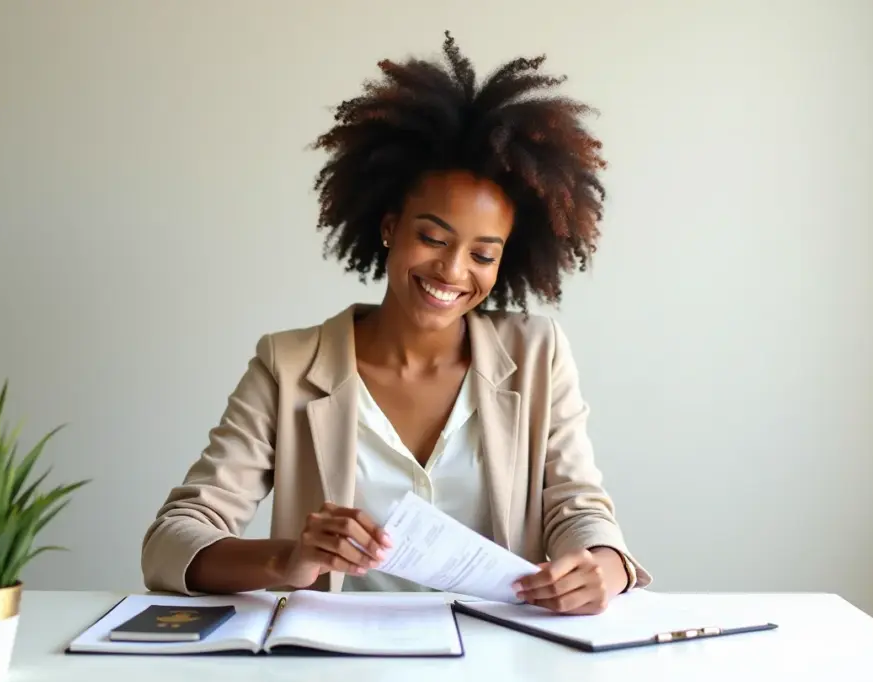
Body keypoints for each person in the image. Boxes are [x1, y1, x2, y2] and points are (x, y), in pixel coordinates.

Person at [141, 32, 651, 615]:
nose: (452, 271)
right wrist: (287, 559)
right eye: (432, 238)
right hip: (335, 655)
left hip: (497, 652)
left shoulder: (539, 353)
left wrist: (604, 566)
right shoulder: (288, 367)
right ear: (390, 228)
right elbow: (171, 540)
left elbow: (577, 506)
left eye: (483, 254)